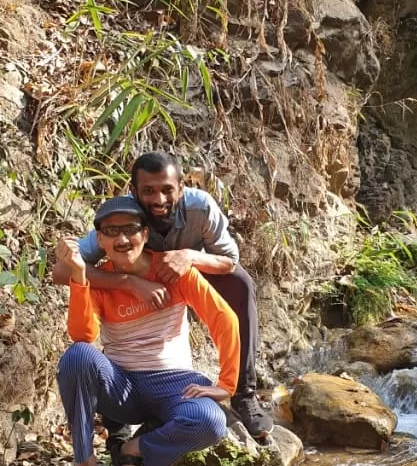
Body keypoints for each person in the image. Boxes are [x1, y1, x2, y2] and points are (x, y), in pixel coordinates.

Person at [52, 195, 240, 466]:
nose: (122, 239)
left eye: (131, 229)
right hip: (122, 388)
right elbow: (83, 335)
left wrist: (227, 384)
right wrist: (80, 277)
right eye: (111, 232)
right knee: (78, 356)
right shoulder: (99, 280)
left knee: (211, 422)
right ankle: (85, 464)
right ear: (99, 238)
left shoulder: (171, 271)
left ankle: (133, 450)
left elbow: (224, 318)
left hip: (173, 384)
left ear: (145, 233)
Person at [78, 151, 273, 439]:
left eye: (167, 190)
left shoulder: (201, 207)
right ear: (134, 191)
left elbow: (230, 260)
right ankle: (117, 411)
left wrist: (189, 257)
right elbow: (67, 270)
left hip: (191, 271)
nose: (158, 200)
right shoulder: (121, 220)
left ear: (181, 187)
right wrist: (128, 283)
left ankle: (243, 393)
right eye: (148, 191)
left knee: (240, 284)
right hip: (138, 284)